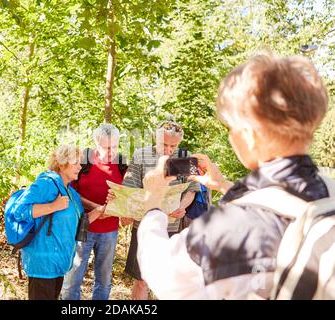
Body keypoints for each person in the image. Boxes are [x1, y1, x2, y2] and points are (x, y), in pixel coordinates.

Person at [137, 53, 332, 299]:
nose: (231, 137)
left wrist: (153, 202)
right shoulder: (329, 191)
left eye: (230, 128)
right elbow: (281, 208)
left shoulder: (227, 228)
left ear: (249, 134)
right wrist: (222, 185)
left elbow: (158, 271)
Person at [11, 144, 105, 300]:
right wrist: (52, 206)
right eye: (76, 163)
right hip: (43, 264)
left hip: (58, 265)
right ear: (62, 164)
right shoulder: (46, 183)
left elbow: (80, 223)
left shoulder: (70, 191)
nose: (80, 167)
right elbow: (19, 211)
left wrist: (100, 210)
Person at [122, 119, 202, 299]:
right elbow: (130, 189)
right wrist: (125, 213)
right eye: (164, 144)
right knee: (141, 279)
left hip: (174, 228)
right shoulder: (141, 155)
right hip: (144, 226)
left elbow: (192, 190)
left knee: (170, 282)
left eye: (172, 145)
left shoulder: (185, 157)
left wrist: (182, 207)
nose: (168, 149)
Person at [61, 124, 127, 300]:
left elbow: (128, 196)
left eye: (114, 146)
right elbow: (71, 194)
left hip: (110, 231)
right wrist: (96, 208)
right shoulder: (84, 162)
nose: (111, 151)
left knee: (104, 281)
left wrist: (112, 210)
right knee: (72, 279)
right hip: (84, 227)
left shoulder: (122, 164)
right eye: (106, 147)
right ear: (96, 143)